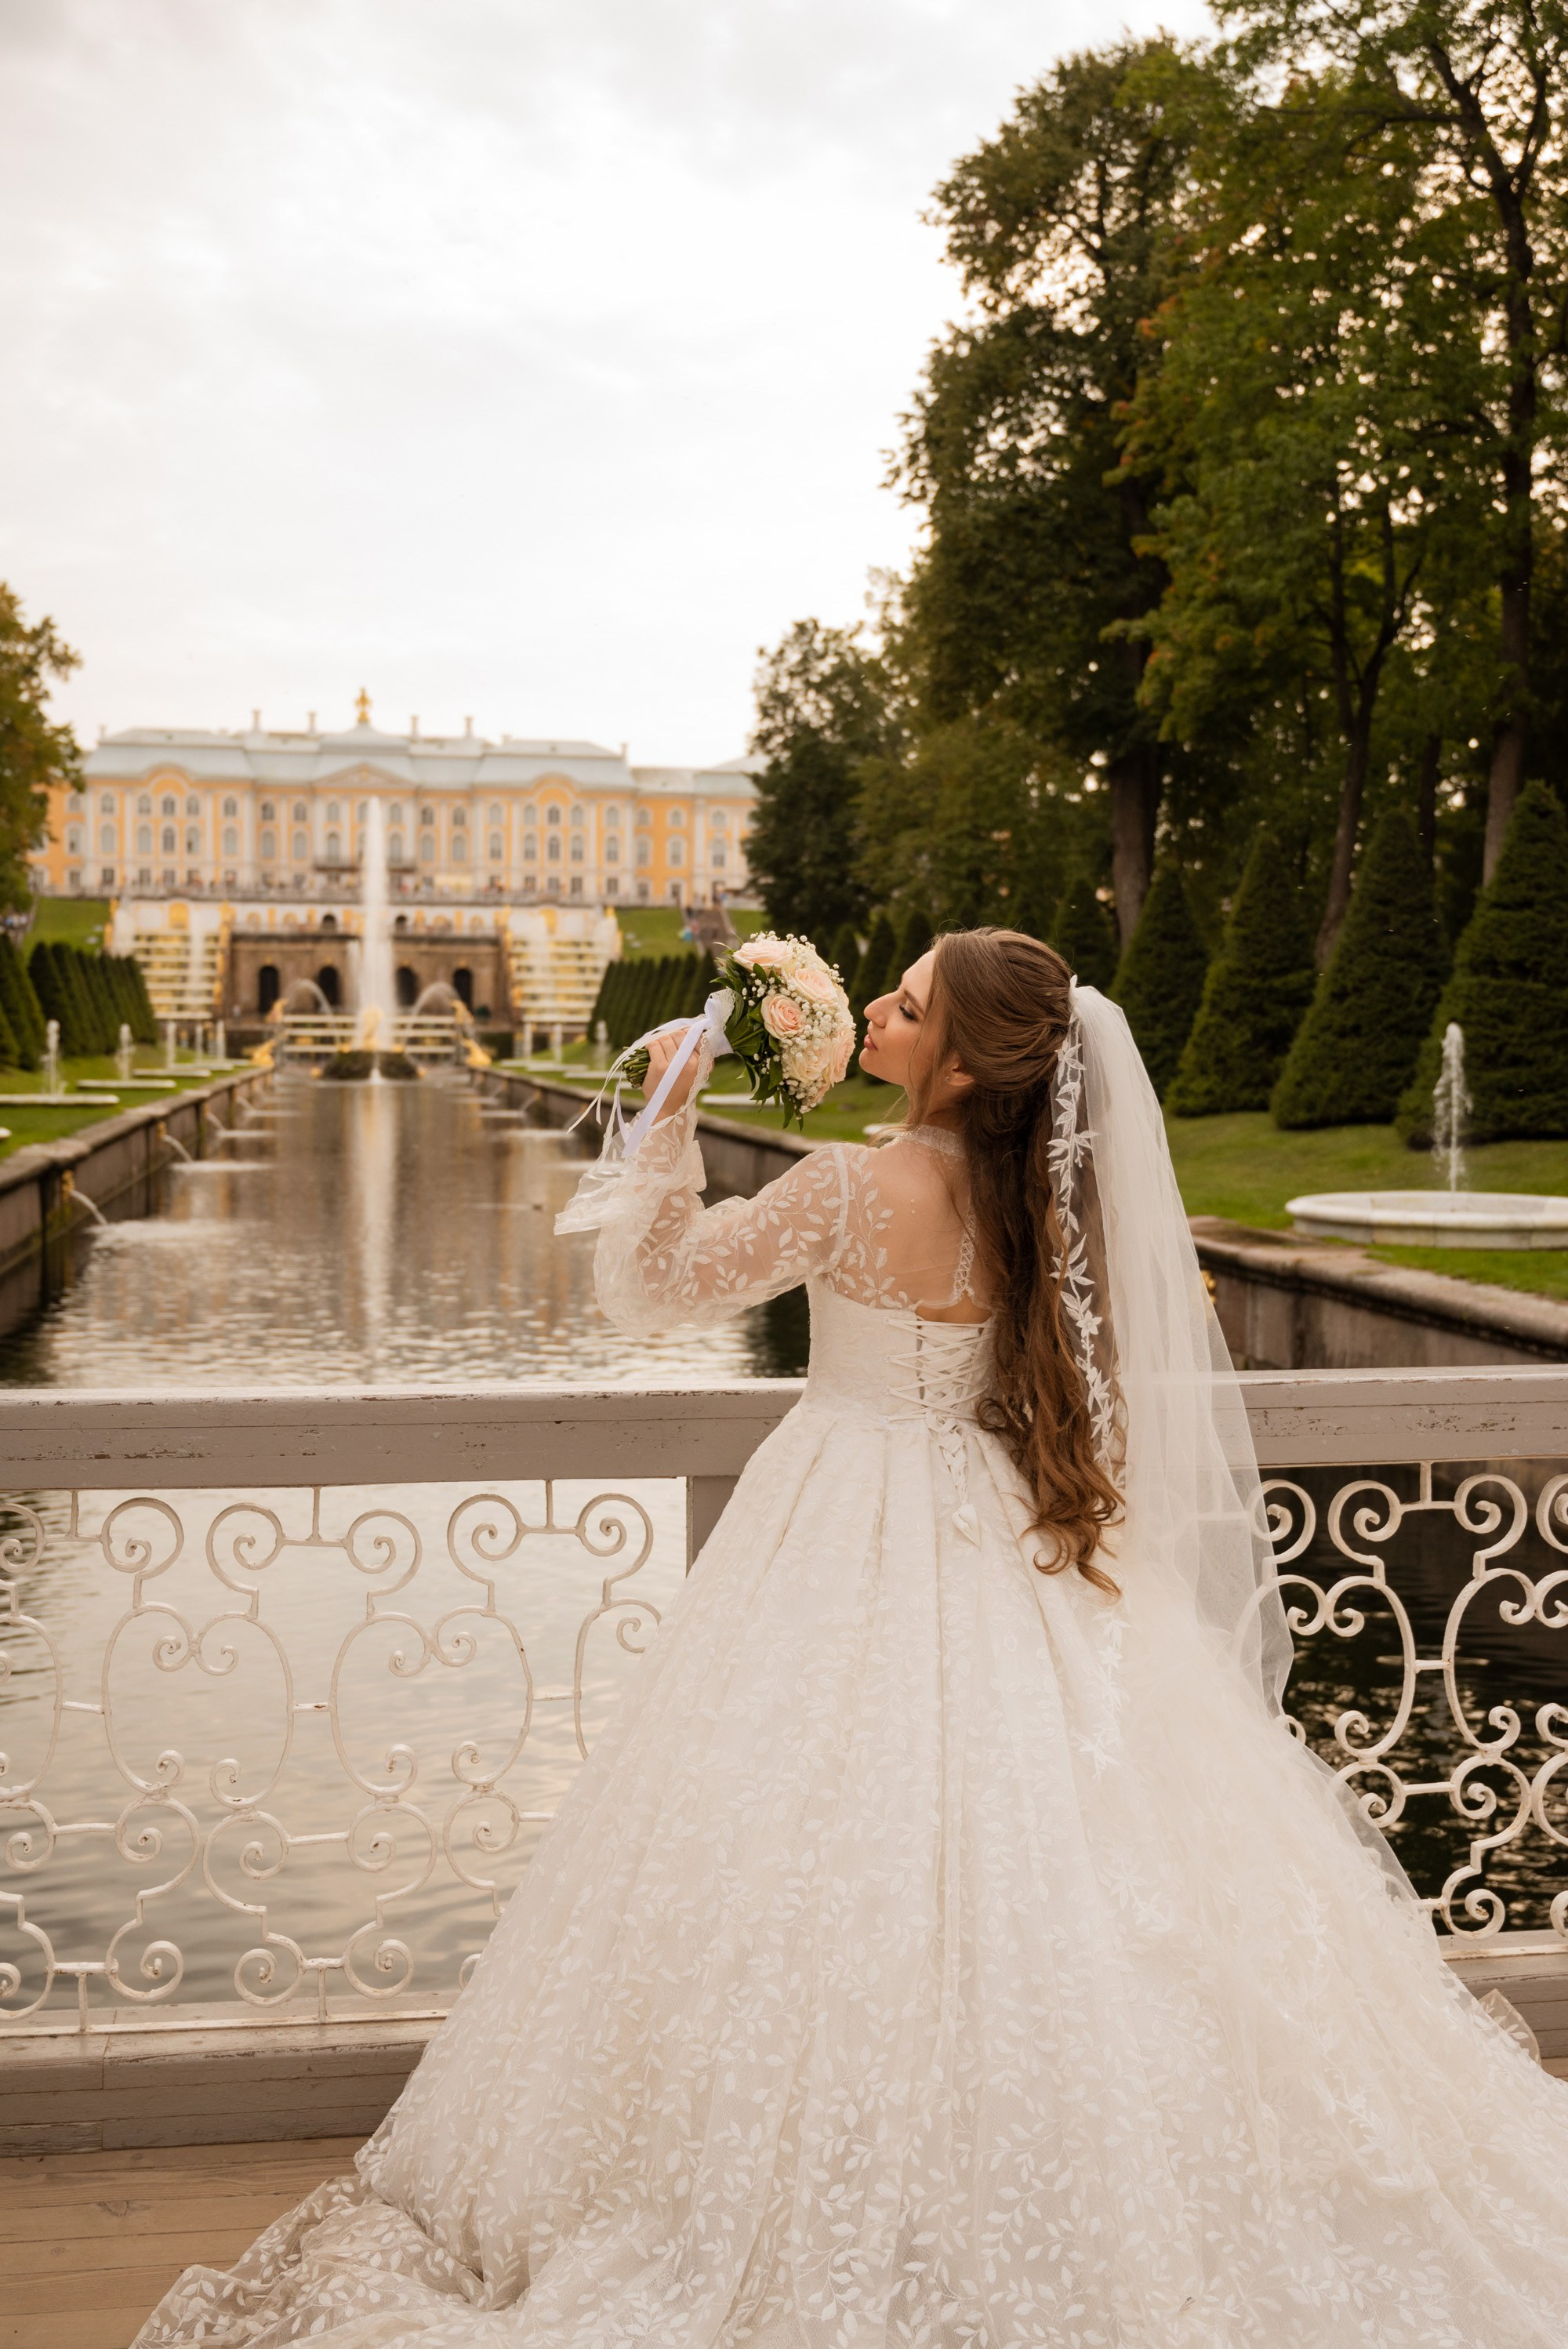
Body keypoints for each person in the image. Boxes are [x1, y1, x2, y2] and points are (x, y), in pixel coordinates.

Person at [139, 930, 1568, 2348]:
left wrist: (666, 1124)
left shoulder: (847, 1185)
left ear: (957, 1064)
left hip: (841, 1517)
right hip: (1014, 1529)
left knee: (810, 1848)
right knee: (1058, 1859)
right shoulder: (1048, 1210)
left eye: (907, 1003)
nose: (877, 1010)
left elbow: (654, 1288)